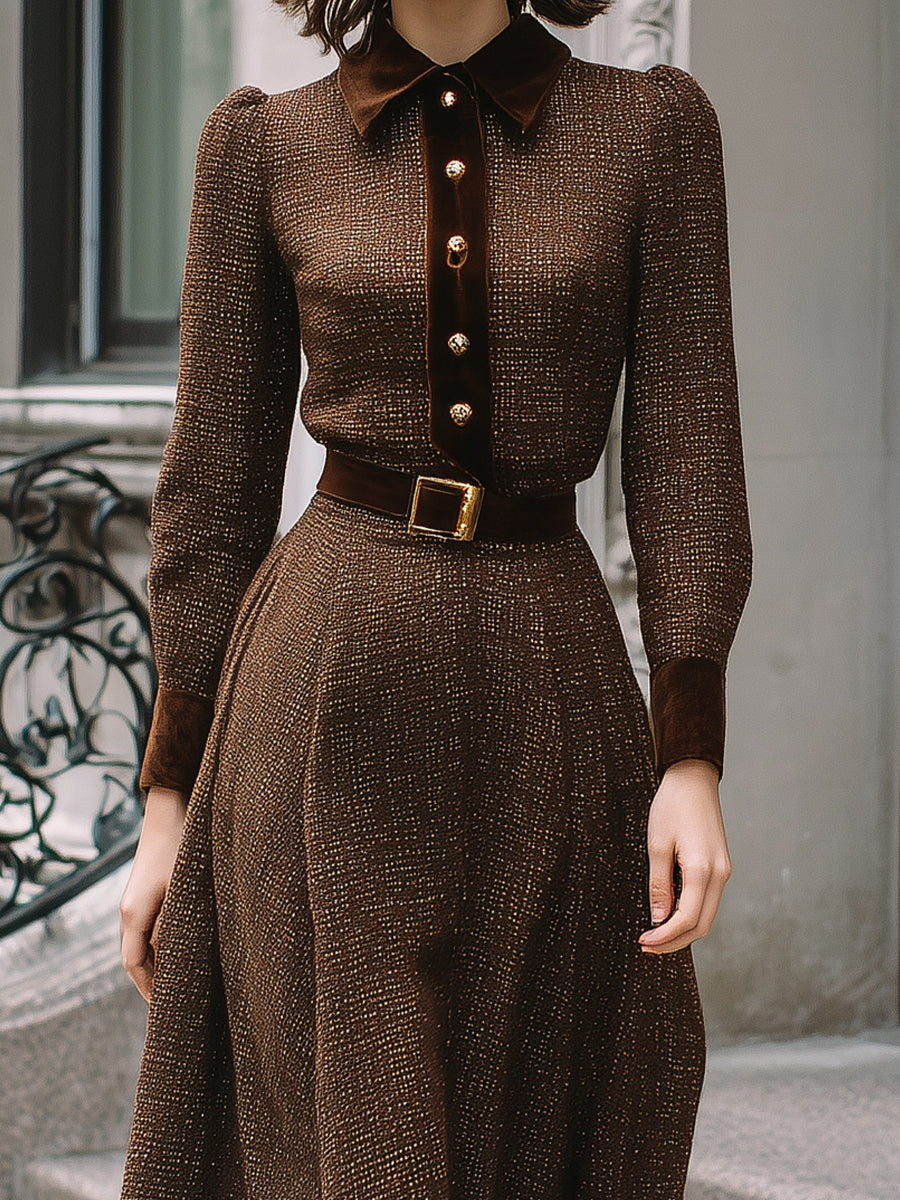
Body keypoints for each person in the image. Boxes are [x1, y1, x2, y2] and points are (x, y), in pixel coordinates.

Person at [118, 0, 753, 1195]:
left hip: (552, 693)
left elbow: (688, 457)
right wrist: (166, 802)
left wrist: (692, 760)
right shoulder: (265, 147)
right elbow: (211, 492)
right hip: (321, 700)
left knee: (571, 1103)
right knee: (355, 1131)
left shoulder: (650, 130)